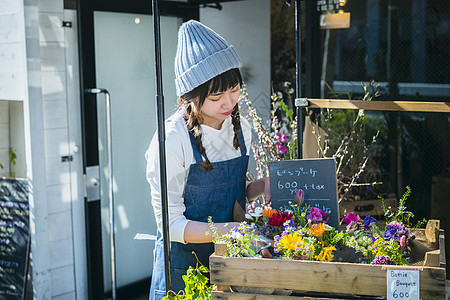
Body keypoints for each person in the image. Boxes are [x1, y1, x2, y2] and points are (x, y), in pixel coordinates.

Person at [145, 20, 270, 299]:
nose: (229, 103)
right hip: (182, 268)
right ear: (190, 97)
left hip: (228, 265)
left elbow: (229, 196)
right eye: (216, 97)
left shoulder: (241, 128)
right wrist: (234, 231)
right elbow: (170, 225)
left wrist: (263, 186)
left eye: (235, 89)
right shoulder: (171, 140)